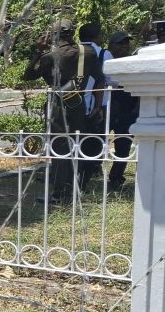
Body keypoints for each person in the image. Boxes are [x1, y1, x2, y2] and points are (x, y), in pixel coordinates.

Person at [23, 19, 105, 201]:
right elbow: (100, 80)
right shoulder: (89, 53)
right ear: (72, 33)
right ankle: (76, 189)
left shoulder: (49, 57)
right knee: (78, 145)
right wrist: (98, 106)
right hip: (79, 103)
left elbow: (28, 75)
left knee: (59, 148)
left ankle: (60, 193)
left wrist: (38, 50)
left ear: (54, 36)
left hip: (58, 105)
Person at [106, 30, 138, 191]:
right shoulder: (104, 60)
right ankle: (88, 172)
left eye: (127, 42)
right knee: (94, 141)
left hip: (127, 109)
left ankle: (116, 178)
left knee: (123, 146)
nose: (125, 46)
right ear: (111, 46)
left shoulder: (135, 62)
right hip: (106, 107)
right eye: (120, 43)